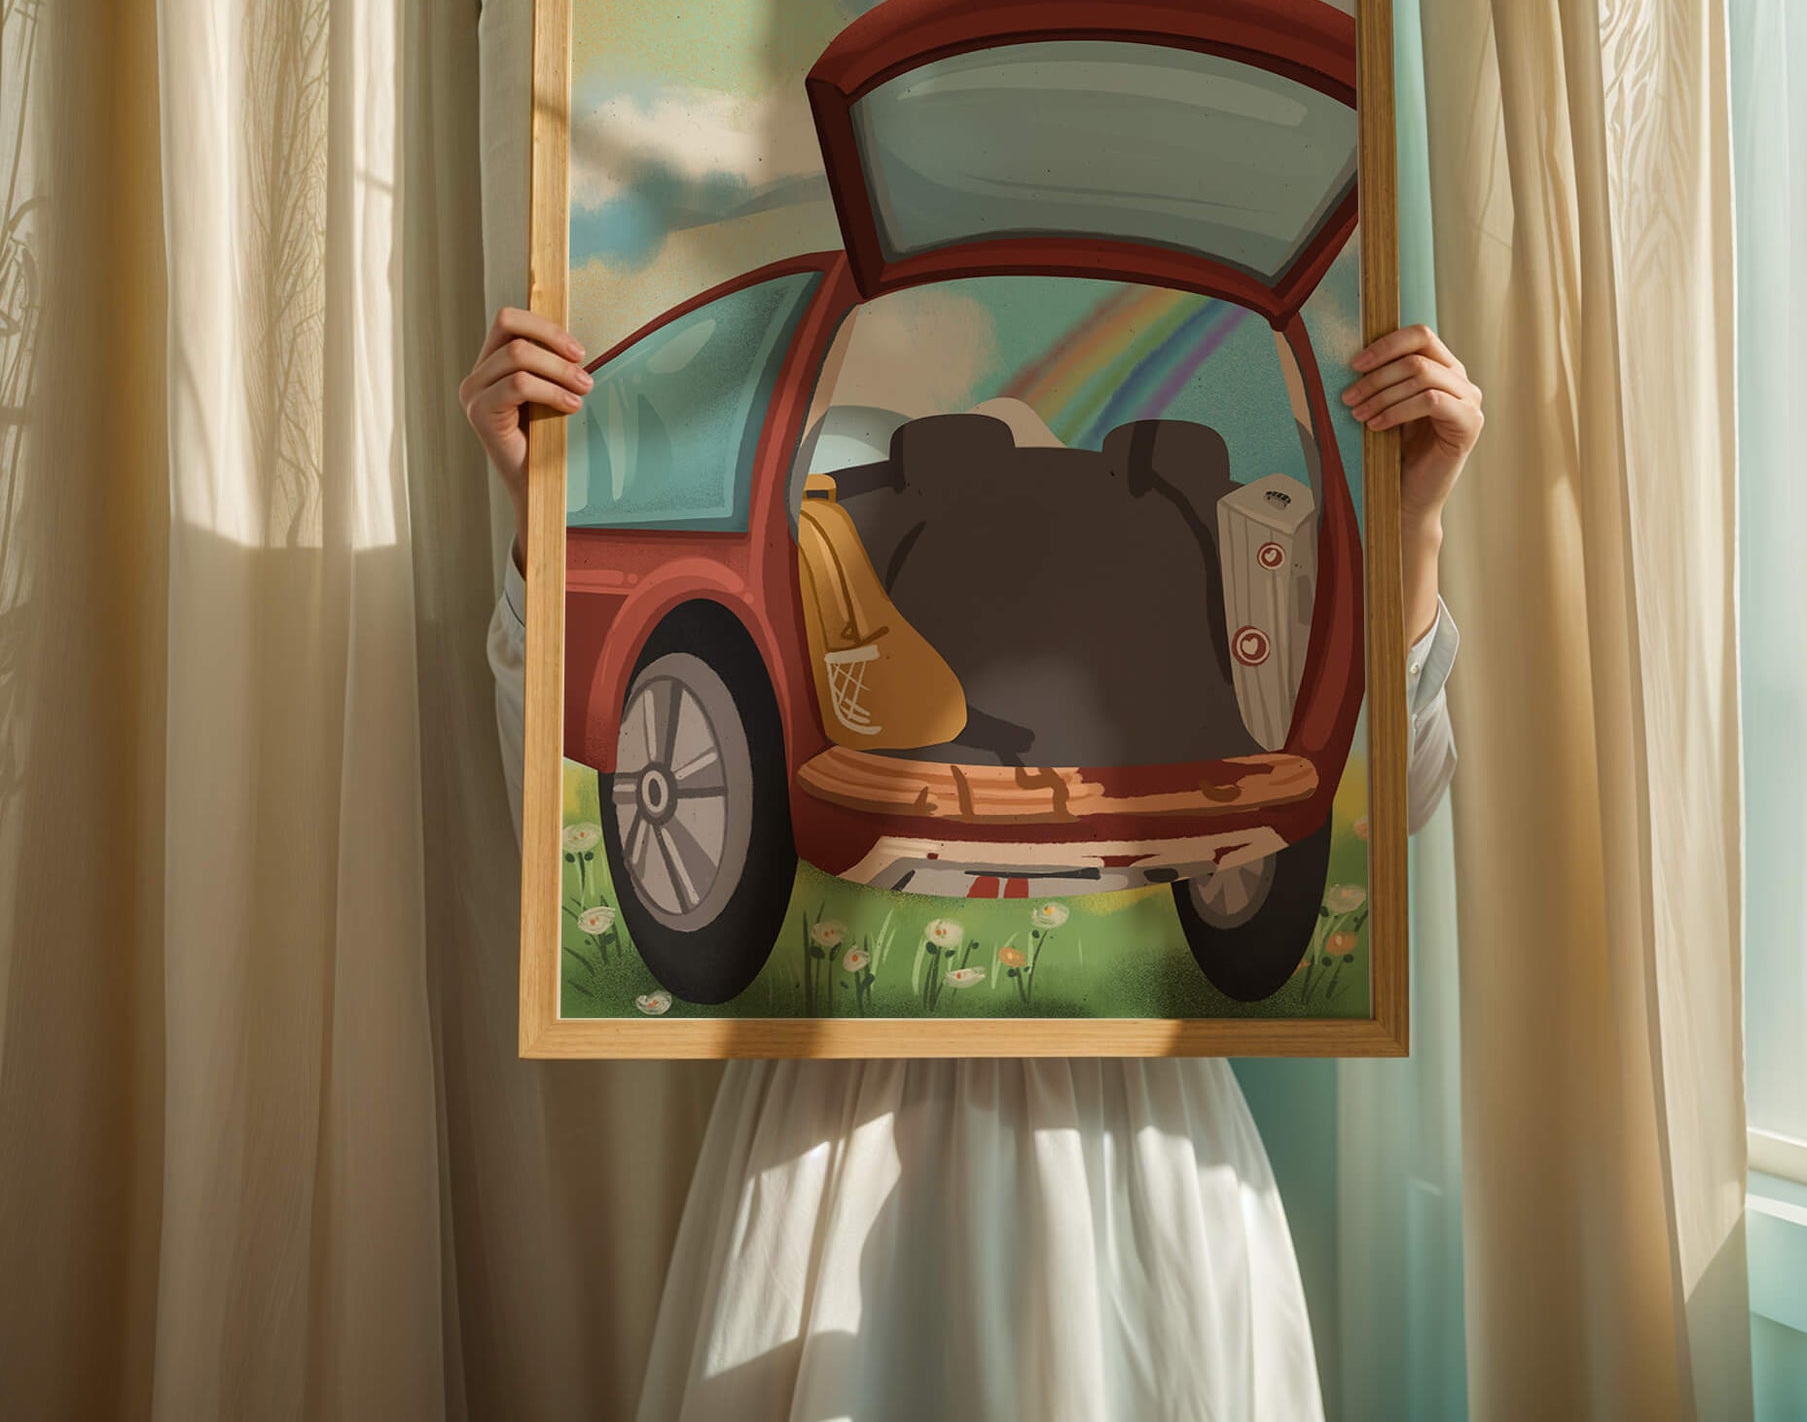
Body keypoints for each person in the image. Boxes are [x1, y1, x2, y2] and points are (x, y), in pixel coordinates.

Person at [465, 307, 1481, 1421]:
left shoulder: (1170, 568)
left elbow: (1397, 793)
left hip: (1139, 1131)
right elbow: (573, 808)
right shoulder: (826, 540)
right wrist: (544, 505)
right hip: (830, 1130)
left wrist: (1413, 520)